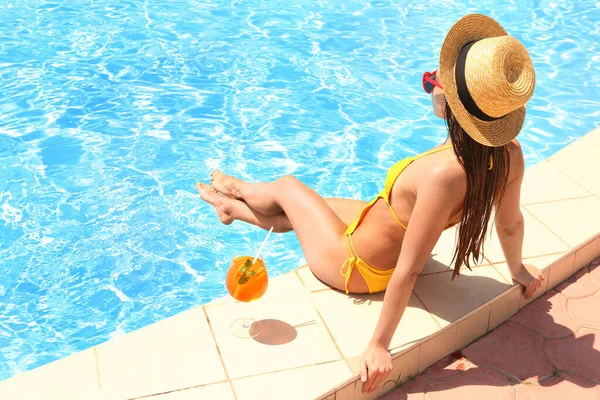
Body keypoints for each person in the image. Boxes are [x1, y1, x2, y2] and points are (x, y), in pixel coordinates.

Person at [196, 13, 544, 394]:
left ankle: (237, 189)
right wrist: (518, 270)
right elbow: (510, 223)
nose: (432, 84)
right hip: (376, 234)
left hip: (356, 267)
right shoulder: (507, 154)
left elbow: (409, 271)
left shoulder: (442, 174)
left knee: (288, 188)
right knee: (306, 209)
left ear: (452, 104)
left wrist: (378, 345)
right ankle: (231, 207)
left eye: (436, 80)